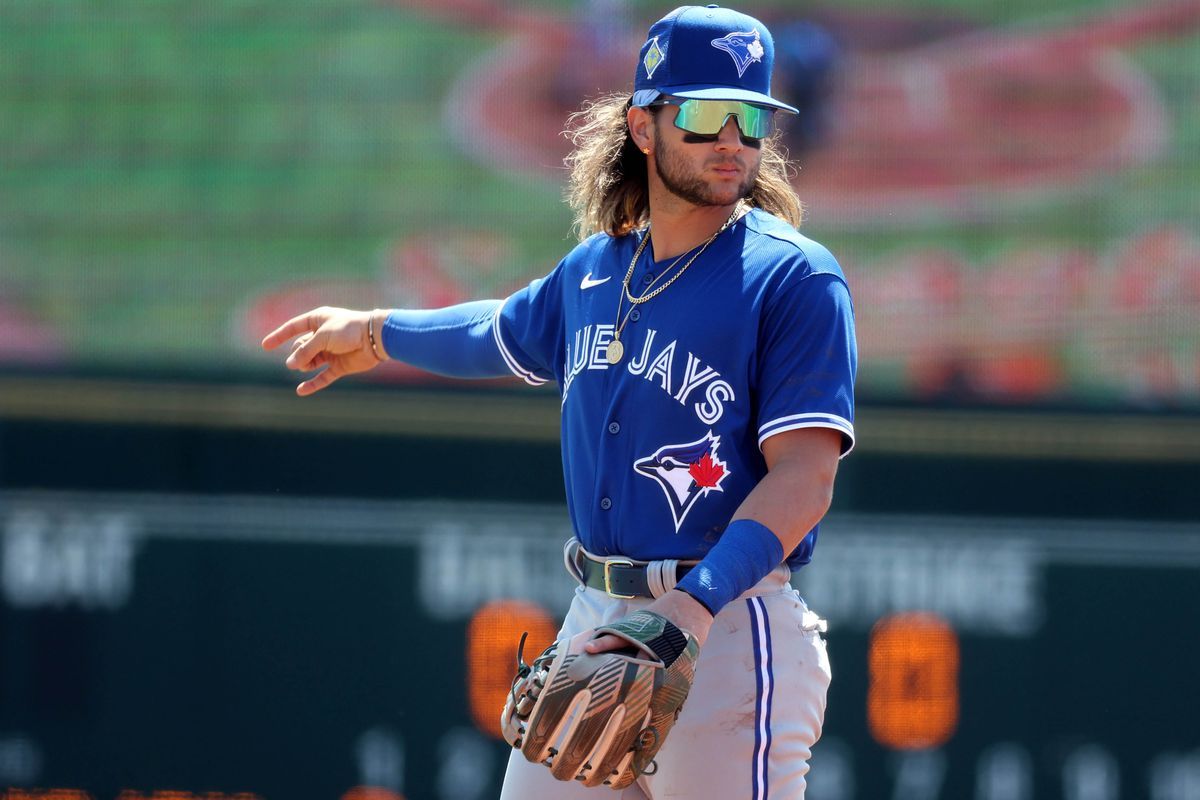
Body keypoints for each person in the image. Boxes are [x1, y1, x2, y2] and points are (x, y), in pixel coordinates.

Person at [262, 5, 857, 798]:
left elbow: (805, 480)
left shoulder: (792, 278)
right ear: (644, 126)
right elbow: (497, 332)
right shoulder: (596, 271)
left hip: (727, 629)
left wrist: (692, 606)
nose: (732, 140)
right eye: (708, 113)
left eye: (751, 118)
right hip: (597, 617)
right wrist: (374, 333)